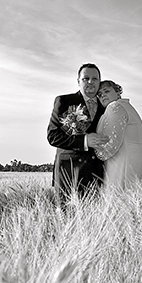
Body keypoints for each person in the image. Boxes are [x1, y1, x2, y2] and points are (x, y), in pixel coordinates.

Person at [47, 63, 109, 201]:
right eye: (85, 78)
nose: (90, 82)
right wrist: (85, 141)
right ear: (78, 81)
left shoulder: (107, 107)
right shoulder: (64, 101)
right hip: (70, 173)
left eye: (95, 79)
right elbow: (53, 136)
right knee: (67, 219)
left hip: (97, 174)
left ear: (100, 81)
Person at [94, 79, 142, 189]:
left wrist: (94, 153)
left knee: (121, 201)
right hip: (139, 162)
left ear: (117, 92)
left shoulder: (115, 107)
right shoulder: (129, 107)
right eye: (100, 94)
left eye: (106, 91)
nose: (102, 96)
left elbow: (112, 144)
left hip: (123, 165)